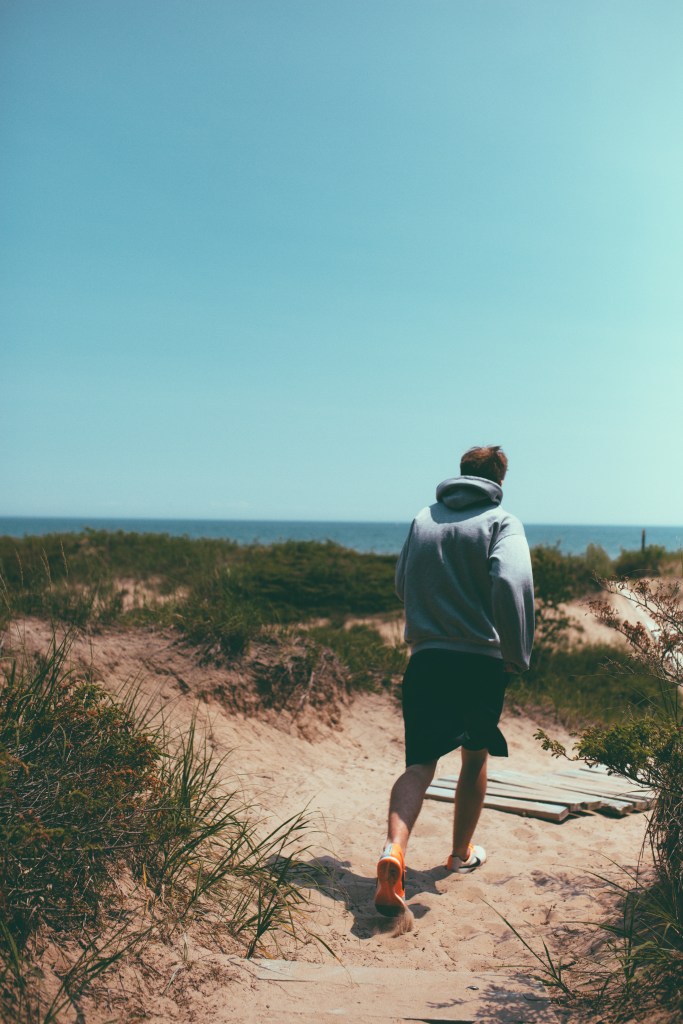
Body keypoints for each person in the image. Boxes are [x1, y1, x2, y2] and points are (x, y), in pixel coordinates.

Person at [374, 445, 534, 917]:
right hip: (478, 662)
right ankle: (460, 855)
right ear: (499, 480)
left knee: (420, 764)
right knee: (473, 758)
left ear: (462, 473)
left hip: (426, 659)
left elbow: (403, 581)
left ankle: (393, 850)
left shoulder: (424, 519)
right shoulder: (502, 521)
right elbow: (510, 582)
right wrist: (515, 652)